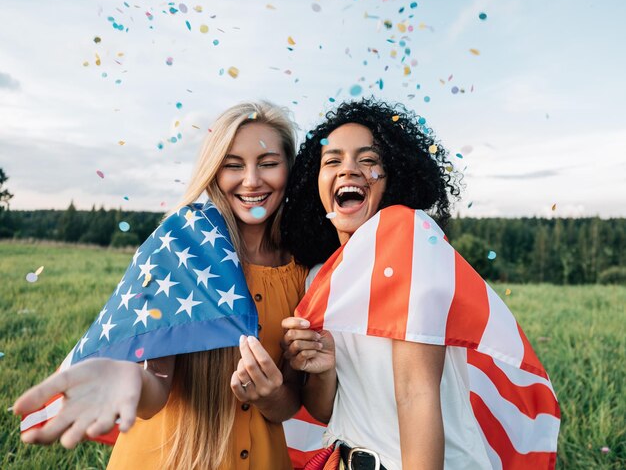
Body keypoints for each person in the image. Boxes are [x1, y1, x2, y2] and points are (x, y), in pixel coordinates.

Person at [13, 101, 308, 470]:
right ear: (214, 172)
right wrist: (129, 379)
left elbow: (291, 403)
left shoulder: (303, 271)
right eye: (233, 165)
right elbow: (155, 389)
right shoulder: (178, 248)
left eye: (268, 163)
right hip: (168, 458)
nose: (251, 180)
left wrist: (270, 394)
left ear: (289, 168)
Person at [280, 98, 560, 469]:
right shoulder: (319, 278)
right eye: (332, 161)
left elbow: (416, 392)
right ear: (314, 183)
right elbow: (325, 410)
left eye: (368, 160)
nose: (349, 169)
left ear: (392, 176)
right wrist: (324, 368)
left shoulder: (412, 239)